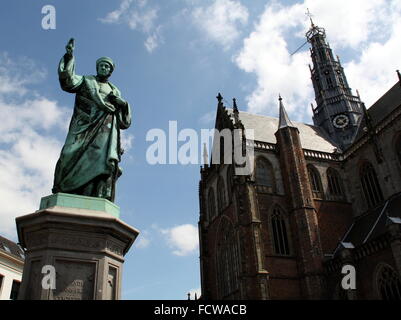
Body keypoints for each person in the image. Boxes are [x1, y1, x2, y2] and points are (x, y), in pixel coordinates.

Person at [52, 38, 132, 202]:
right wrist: (68, 57)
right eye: (101, 66)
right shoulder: (86, 80)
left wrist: (123, 104)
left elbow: (124, 122)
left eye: (107, 67)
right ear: (97, 68)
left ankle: (94, 194)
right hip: (83, 127)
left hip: (105, 131)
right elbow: (68, 82)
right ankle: (66, 190)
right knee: (68, 154)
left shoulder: (115, 90)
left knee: (101, 163)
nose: (103, 68)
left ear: (110, 71)